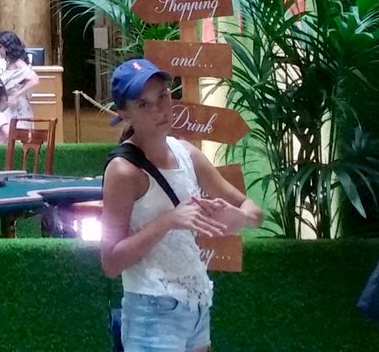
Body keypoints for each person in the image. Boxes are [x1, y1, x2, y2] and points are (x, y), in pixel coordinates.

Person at [98, 59, 261, 352]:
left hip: (196, 302)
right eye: (143, 104)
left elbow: (253, 211)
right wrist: (167, 221)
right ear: (123, 113)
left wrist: (240, 218)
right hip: (151, 309)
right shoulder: (123, 170)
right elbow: (111, 262)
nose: (160, 109)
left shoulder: (186, 152)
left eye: (162, 96)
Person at [0, 31, 38, 124]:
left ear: (9, 47)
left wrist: (17, 94)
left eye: (0, 47)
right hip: (10, 108)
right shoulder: (10, 63)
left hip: (19, 109)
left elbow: (35, 80)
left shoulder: (19, 63)